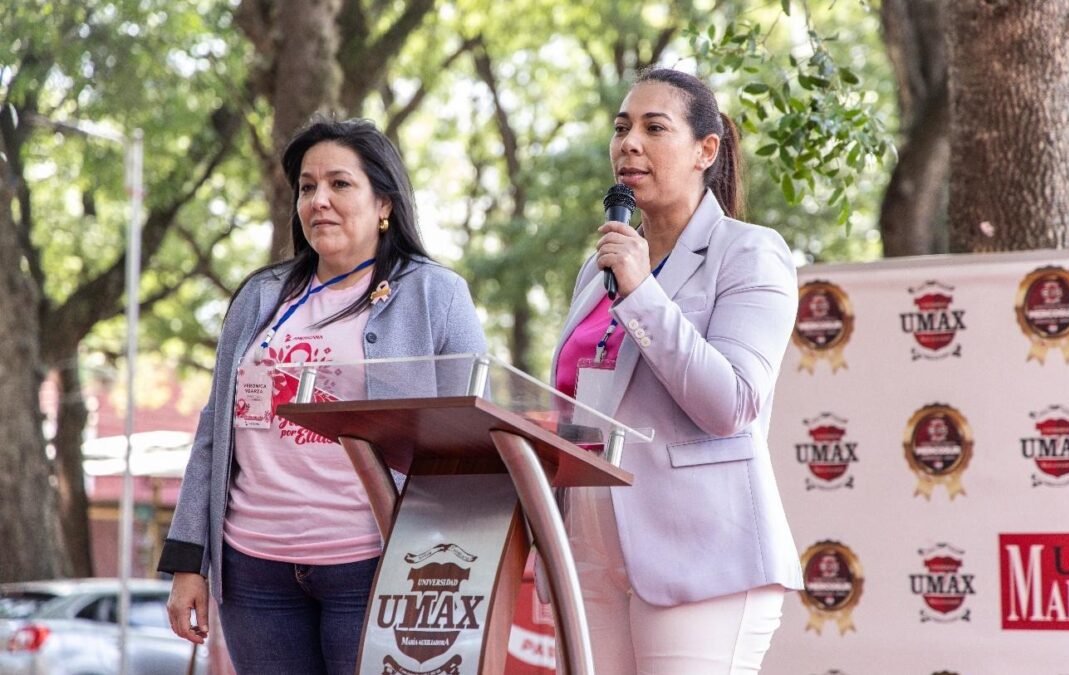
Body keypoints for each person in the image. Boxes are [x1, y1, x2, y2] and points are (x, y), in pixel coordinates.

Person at [158, 117, 487, 674]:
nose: (319, 201)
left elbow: (469, 441)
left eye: (340, 184)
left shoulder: (436, 293)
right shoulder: (260, 296)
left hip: (375, 564)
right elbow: (216, 431)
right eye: (307, 188)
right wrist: (190, 562)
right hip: (253, 569)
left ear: (384, 202)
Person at [551, 67, 803, 674]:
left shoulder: (749, 251)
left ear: (705, 151)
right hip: (590, 548)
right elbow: (579, 403)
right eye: (620, 128)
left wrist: (641, 292)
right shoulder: (599, 268)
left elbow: (731, 403)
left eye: (653, 128)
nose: (628, 143)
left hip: (700, 552)